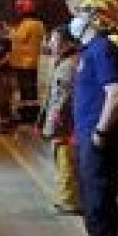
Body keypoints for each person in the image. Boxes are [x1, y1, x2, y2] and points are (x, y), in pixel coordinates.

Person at [66, 0, 118, 236]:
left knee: (99, 200)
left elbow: (116, 93)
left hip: (99, 139)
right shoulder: (92, 49)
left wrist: (100, 132)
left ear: (96, 18)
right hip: (90, 136)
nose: (76, 18)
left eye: (82, 12)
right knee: (93, 199)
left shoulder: (103, 49)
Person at [41, 24, 81, 214]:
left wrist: (53, 125)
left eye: (54, 40)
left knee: (65, 160)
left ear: (68, 43)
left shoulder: (68, 65)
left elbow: (61, 99)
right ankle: (70, 197)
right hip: (68, 122)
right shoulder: (67, 61)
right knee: (65, 159)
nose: (50, 44)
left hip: (65, 123)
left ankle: (70, 200)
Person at [10, 0, 47, 125]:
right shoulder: (40, 24)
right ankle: (33, 114)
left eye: (18, 9)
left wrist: (11, 32)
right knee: (32, 90)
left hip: (24, 63)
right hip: (35, 62)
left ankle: (27, 116)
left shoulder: (26, 24)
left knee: (26, 91)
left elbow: (17, 39)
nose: (16, 12)